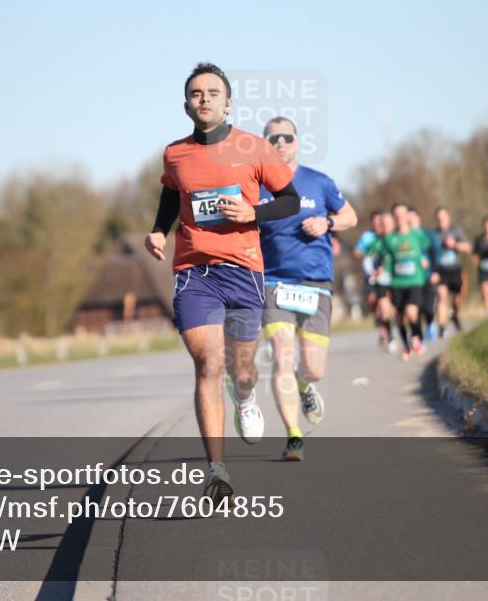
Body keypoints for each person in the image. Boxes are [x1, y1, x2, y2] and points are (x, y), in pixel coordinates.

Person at [145, 62, 300, 503]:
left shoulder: (253, 147)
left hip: (244, 270)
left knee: (241, 368)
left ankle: (246, 397)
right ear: (186, 105)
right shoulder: (175, 154)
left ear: (228, 102)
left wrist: (254, 213)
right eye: (196, 94)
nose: (205, 99)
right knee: (208, 363)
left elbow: (288, 201)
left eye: (213, 92)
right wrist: (159, 230)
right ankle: (217, 469)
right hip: (194, 272)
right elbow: (171, 195)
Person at [258, 116, 357, 462]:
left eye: (287, 137)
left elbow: (351, 217)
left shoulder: (319, 182)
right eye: (273, 138)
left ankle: (305, 386)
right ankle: (294, 436)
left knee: (314, 368)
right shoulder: (255, 187)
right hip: (272, 281)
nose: (281, 143)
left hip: (316, 283)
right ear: (264, 144)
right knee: (283, 355)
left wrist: (327, 222)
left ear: (297, 141)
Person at [375, 203, 431, 361]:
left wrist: (426, 260)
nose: (399, 217)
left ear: (408, 216)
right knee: (399, 317)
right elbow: (385, 258)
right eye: (396, 214)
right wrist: (382, 269)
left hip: (415, 281)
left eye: (402, 214)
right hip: (397, 283)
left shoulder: (417, 235)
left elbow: (428, 249)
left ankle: (417, 337)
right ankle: (407, 346)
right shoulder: (390, 238)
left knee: (412, 312)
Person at [354, 211, 392, 349]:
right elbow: (357, 252)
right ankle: (382, 324)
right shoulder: (367, 237)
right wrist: (366, 254)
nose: (377, 225)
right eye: (374, 223)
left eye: (379, 223)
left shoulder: (387, 237)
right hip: (369, 276)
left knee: (385, 305)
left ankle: (386, 331)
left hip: (384, 276)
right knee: (373, 301)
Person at [433, 207, 471, 336]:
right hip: (440, 270)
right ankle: (442, 327)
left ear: (448, 218)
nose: (441, 220)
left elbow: (468, 248)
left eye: (443, 217)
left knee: (456, 300)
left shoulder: (456, 231)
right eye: (439, 217)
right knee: (442, 297)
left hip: (454, 269)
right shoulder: (434, 234)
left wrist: (454, 245)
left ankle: (454, 315)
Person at [408, 207, 440, 341]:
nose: (410, 220)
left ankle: (430, 323)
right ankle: (418, 335)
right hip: (412, 278)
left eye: (412, 217)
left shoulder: (428, 235)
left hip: (427, 275)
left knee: (429, 307)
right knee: (416, 308)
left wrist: (435, 271)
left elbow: (436, 254)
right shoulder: (404, 236)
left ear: (418, 218)